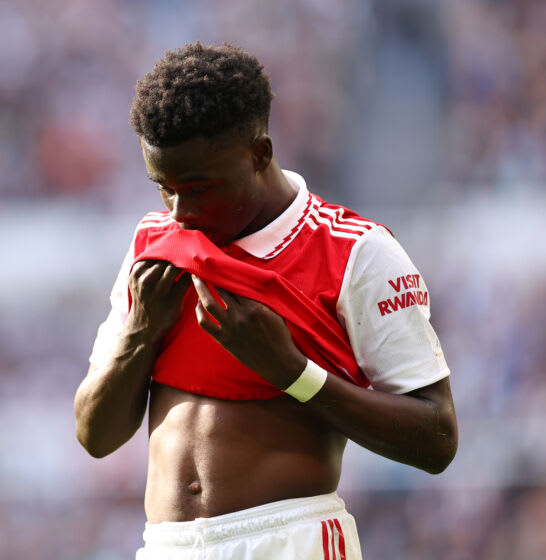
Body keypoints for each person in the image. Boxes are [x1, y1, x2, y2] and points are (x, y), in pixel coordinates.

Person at [74, 42, 457, 559]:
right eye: (163, 187)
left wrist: (292, 372)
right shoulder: (153, 246)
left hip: (290, 538)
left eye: (199, 187)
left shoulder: (354, 250)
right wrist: (141, 332)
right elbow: (95, 436)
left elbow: (436, 438)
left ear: (260, 153)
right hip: (167, 546)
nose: (180, 211)